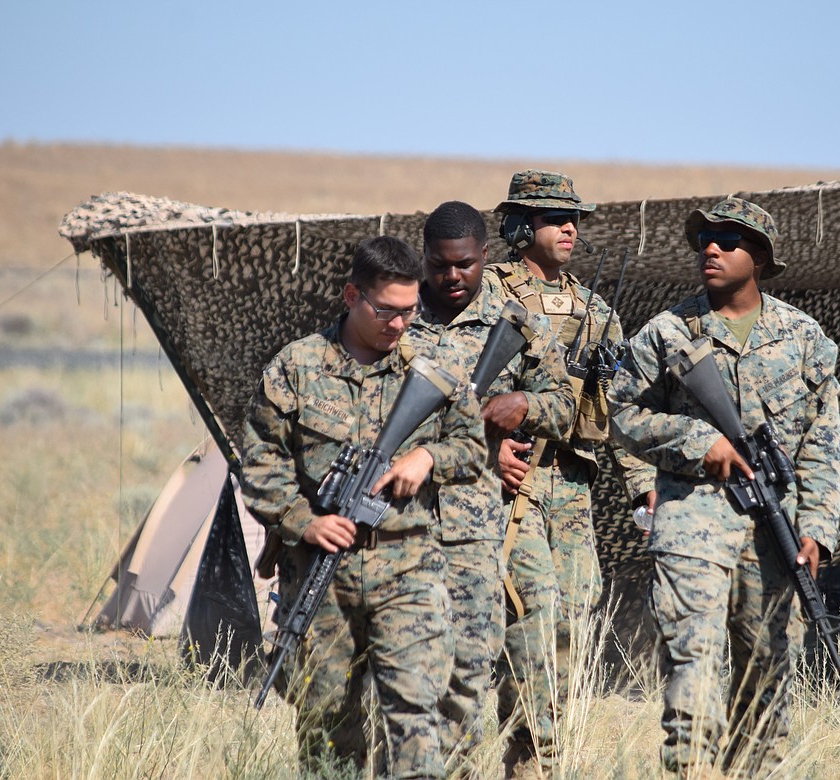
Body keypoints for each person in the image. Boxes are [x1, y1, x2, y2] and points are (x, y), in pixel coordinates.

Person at [607, 198, 840, 775]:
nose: (710, 249)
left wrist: (815, 531)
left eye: (727, 241)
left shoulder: (804, 337)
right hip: (692, 521)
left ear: (759, 257)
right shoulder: (666, 334)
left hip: (775, 529)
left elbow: (822, 443)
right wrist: (698, 442)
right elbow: (620, 413)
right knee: (694, 664)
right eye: (704, 240)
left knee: (767, 669)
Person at [240, 235, 486, 779]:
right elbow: (260, 462)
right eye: (386, 311)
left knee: (416, 716)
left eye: (410, 311)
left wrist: (427, 456)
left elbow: (472, 448)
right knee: (327, 726)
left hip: (410, 569)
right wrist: (302, 521)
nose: (399, 325)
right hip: (321, 578)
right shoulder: (296, 367)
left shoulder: (433, 368)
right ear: (352, 295)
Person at [486, 170, 655, 774]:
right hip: (514, 486)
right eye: (555, 218)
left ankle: (544, 757)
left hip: (573, 487)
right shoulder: (487, 296)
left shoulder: (595, 310)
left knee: (575, 618)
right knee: (533, 613)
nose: (569, 229)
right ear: (520, 225)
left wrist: (643, 488)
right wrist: (486, 449)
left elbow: (621, 405)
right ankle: (532, 755)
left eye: (574, 219)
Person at [408, 200, 576, 766]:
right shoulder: (395, 316)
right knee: (425, 678)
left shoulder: (516, 320)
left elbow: (566, 407)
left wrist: (521, 404)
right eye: (438, 265)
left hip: (498, 523)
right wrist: (474, 441)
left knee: (533, 658)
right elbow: (359, 412)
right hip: (406, 523)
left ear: (485, 255)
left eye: (464, 265)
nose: (451, 277)